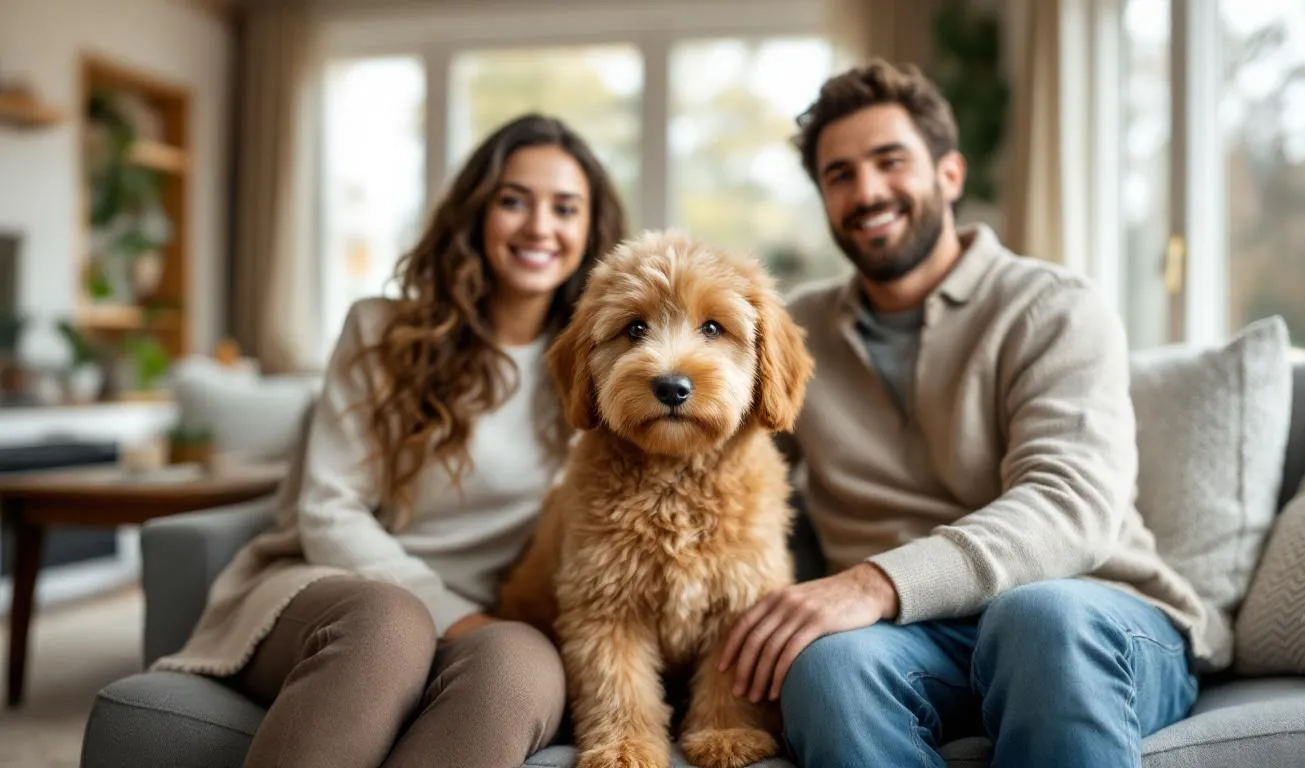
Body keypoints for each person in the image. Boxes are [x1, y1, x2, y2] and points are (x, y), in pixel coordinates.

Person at [717, 60, 1222, 768]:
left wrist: (870, 583)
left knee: (1037, 616)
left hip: (1090, 611)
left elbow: (1071, 505)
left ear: (950, 174)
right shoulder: (792, 332)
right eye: (840, 175)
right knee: (828, 669)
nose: (867, 191)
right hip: (911, 641)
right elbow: (713, 462)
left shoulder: (1054, 307)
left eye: (890, 161)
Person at [152, 114, 627, 768]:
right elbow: (328, 509)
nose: (540, 226)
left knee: (521, 664)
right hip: (337, 588)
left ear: (591, 230)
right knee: (392, 622)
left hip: (490, 618)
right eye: (514, 200)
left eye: (565, 208)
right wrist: (448, 613)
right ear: (475, 214)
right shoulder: (380, 332)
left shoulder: (603, 366)